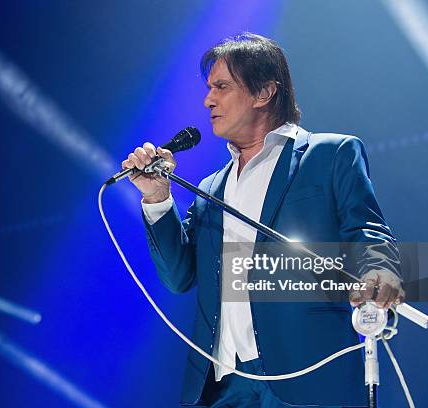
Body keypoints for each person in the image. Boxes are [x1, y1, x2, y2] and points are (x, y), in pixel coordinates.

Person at [121, 33, 404, 408]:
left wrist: (380, 270)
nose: (208, 100)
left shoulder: (331, 153)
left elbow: (366, 228)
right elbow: (179, 277)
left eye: (221, 86)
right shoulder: (212, 186)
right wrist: (157, 199)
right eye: (209, 89)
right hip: (224, 383)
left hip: (306, 375)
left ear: (264, 93)